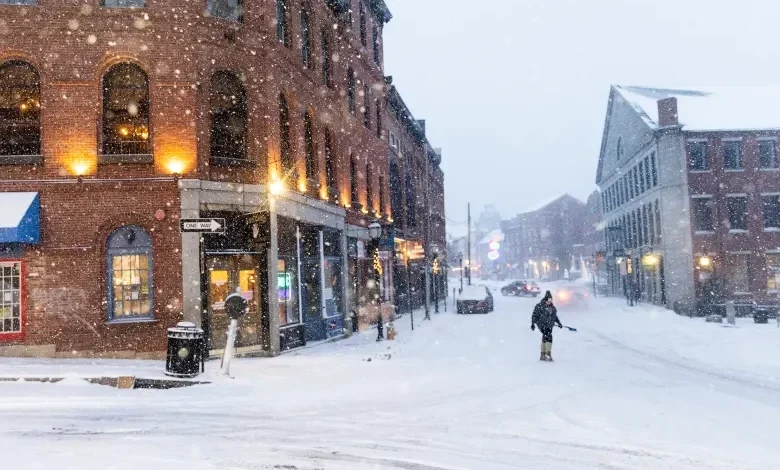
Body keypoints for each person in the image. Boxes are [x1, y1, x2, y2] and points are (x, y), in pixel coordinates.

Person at [531, 290, 563, 361]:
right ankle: (548, 354)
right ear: (545, 300)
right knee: (549, 337)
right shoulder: (539, 306)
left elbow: (555, 316)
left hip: (549, 325)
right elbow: (534, 315)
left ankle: (542, 354)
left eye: (550, 300)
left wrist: (559, 323)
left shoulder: (552, 308)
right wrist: (533, 324)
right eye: (548, 300)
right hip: (542, 324)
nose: (549, 302)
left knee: (545, 338)